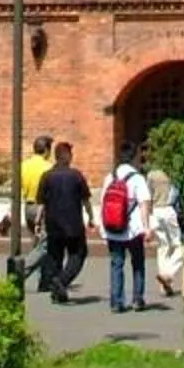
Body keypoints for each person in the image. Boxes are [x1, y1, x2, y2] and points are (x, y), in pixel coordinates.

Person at [35, 140, 92, 303]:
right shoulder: (76, 175)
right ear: (67, 157)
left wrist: (39, 222)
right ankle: (61, 281)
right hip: (73, 224)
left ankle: (56, 289)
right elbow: (85, 200)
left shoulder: (47, 176)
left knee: (55, 256)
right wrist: (91, 217)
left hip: (53, 224)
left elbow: (41, 203)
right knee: (78, 254)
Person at [99, 158, 152, 313]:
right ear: (133, 158)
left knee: (116, 264)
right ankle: (137, 299)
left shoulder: (110, 178)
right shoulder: (138, 178)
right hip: (133, 229)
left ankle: (116, 302)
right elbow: (144, 204)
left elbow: (103, 202)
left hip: (113, 228)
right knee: (138, 264)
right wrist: (146, 227)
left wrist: (103, 227)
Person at [146, 155, 184, 305]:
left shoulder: (151, 175)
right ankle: (168, 274)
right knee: (179, 245)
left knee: (163, 246)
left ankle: (164, 286)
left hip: (156, 211)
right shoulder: (171, 174)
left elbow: (148, 196)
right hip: (169, 210)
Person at [17, 132, 53, 290]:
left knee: (37, 243)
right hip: (42, 209)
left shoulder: (24, 165)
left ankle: (44, 281)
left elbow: (19, 189)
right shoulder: (49, 167)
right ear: (46, 150)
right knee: (45, 246)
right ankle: (21, 272)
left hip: (28, 206)